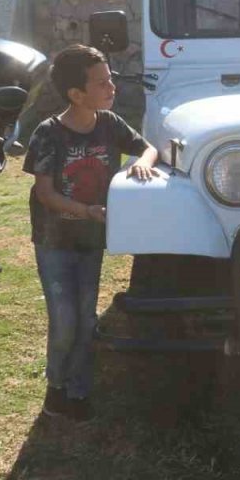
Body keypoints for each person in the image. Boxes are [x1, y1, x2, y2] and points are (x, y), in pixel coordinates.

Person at [23, 44, 160, 421]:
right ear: (76, 94)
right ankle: (56, 388)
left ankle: (79, 390)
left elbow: (147, 148)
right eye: (101, 83)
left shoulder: (109, 123)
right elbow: (45, 193)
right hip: (54, 242)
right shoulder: (48, 134)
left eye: (110, 79)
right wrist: (86, 211)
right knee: (64, 321)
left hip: (90, 241)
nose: (112, 87)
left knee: (86, 318)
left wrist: (141, 164)